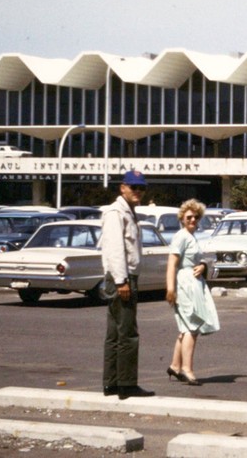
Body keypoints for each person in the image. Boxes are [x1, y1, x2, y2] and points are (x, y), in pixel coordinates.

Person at [100, 170, 155, 400]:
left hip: (124, 277)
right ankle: (126, 384)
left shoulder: (129, 212)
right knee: (127, 333)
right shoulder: (116, 212)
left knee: (115, 332)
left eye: (141, 188)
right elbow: (114, 249)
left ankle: (112, 383)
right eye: (134, 187)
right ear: (123, 187)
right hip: (122, 277)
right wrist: (122, 280)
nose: (138, 192)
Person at [165, 198, 219, 386]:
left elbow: (199, 258)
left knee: (186, 327)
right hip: (184, 284)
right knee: (191, 326)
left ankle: (174, 365)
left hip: (192, 283)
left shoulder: (191, 236)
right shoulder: (181, 236)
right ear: (182, 218)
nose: (193, 220)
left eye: (196, 217)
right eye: (189, 217)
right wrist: (170, 288)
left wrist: (203, 265)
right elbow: (172, 263)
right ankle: (187, 369)